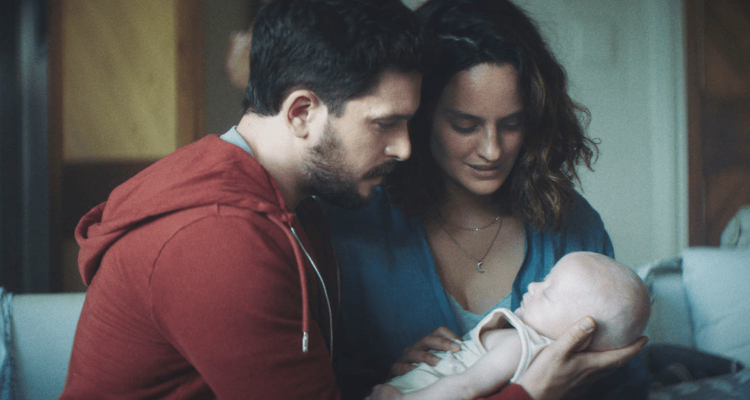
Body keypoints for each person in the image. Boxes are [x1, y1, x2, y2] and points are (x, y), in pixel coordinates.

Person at [60, 0, 430, 398]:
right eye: (385, 124)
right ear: (301, 113)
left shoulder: (292, 199)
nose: (403, 148)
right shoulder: (217, 238)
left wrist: (405, 378)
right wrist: (466, 381)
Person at [320, 0, 648, 399]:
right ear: (420, 117)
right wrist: (403, 378)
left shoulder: (571, 225)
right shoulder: (356, 224)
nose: (492, 150)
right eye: (465, 125)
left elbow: (624, 383)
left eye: (512, 124)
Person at [374, 252, 651, 400]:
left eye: (548, 293)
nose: (533, 286)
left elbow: (465, 387)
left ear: (581, 334)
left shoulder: (519, 345)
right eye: (545, 278)